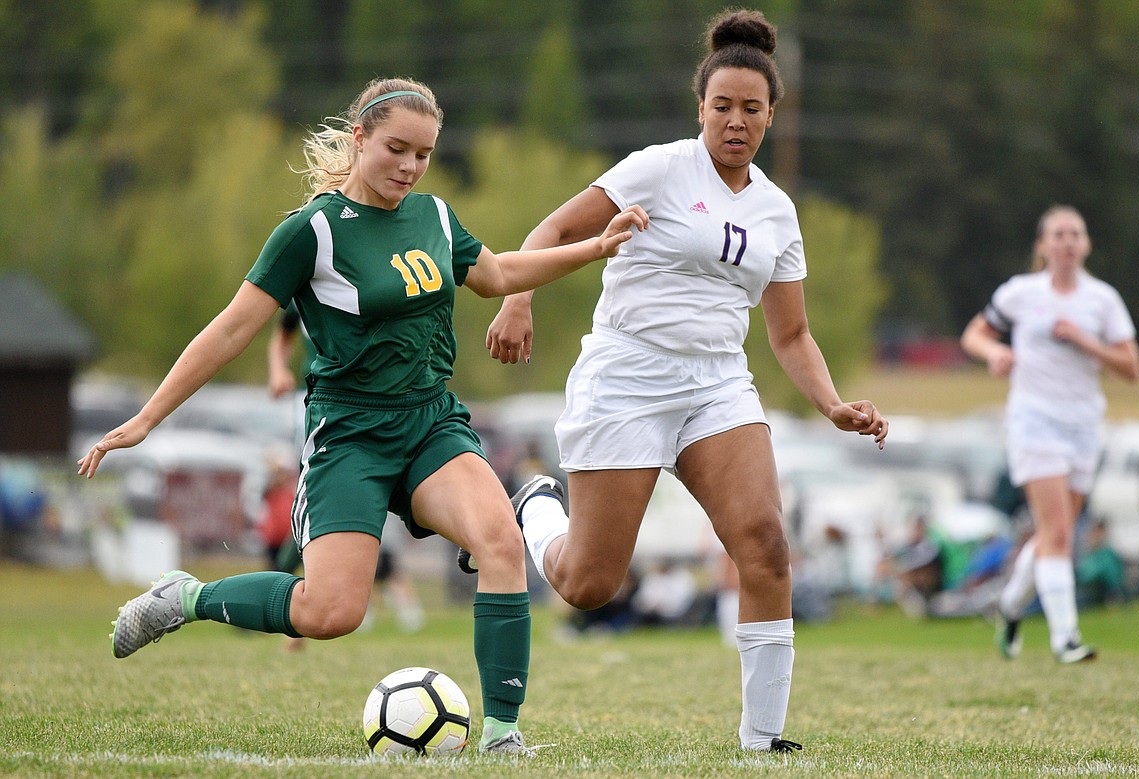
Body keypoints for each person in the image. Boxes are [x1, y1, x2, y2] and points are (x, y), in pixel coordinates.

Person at [77, 76, 647, 756]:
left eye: (424, 154)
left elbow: (497, 274)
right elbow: (230, 330)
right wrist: (146, 419)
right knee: (332, 611)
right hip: (349, 436)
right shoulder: (310, 231)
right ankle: (186, 597)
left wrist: (595, 248)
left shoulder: (434, 216)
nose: (409, 167)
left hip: (432, 421)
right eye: (396, 149)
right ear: (360, 139)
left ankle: (502, 734)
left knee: (499, 540)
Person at [465, 9, 888, 753]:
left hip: (718, 383)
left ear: (770, 116)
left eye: (751, 109)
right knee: (590, 583)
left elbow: (789, 333)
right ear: (701, 109)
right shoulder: (658, 168)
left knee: (764, 543)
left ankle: (763, 741)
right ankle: (535, 507)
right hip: (627, 373)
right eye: (721, 105)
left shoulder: (777, 211)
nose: (735, 120)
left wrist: (831, 404)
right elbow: (555, 232)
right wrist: (518, 298)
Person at [960, 204, 1139, 663]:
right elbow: (974, 335)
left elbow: (1132, 368)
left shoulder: (1102, 300)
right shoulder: (1022, 292)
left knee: (1053, 535)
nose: (1067, 242)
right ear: (1042, 245)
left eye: (1075, 234)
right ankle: (1066, 638)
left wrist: (1086, 341)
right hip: (1033, 421)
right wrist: (993, 354)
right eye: (1058, 234)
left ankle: (1010, 605)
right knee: (1058, 531)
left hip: (1083, 425)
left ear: (1086, 244)